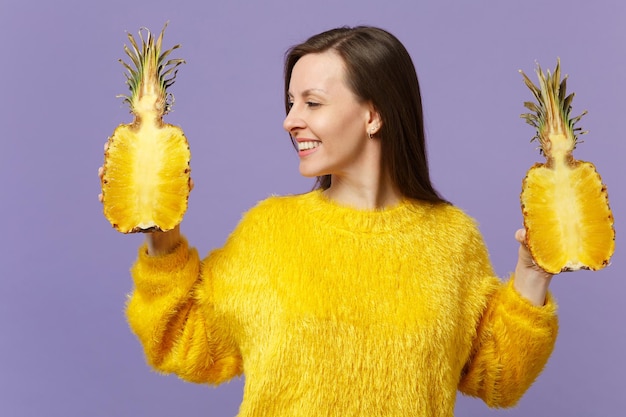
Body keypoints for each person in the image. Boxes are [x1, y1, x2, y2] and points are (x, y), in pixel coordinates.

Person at [100, 26, 557, 416]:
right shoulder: (269, 230)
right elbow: (185, 340)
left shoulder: (452, 240)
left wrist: (533, 274)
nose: (290, 120)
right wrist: (163, 235)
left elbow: (498, 376)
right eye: (290, 102)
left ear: (373, 114)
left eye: (312, 103)